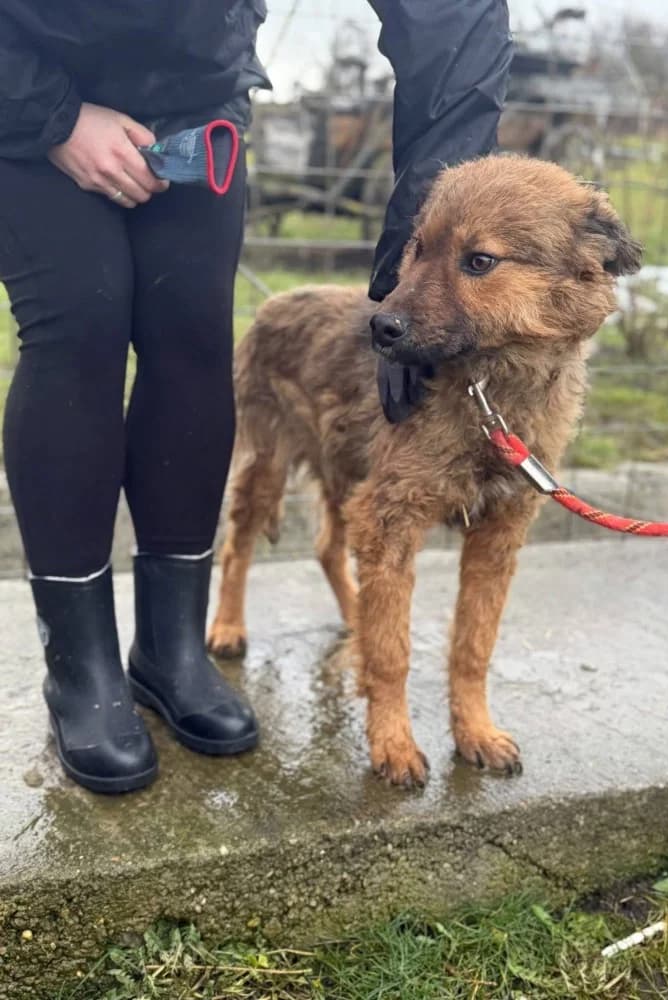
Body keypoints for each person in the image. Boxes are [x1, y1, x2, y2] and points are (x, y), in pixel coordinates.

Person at [0, 0, 513, 794]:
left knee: (193, 339)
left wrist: (402, 294)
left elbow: (449, 16)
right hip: (30, 72)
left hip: (198, 86)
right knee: (80, 330)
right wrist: (51, 114)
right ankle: (80, 669)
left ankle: (170, 647)